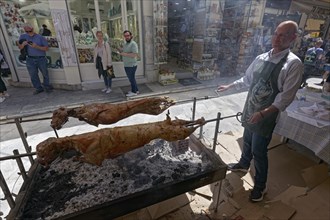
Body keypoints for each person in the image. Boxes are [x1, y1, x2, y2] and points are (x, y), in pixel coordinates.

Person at [217, 20, 303, 202]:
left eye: (283, 35)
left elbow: (286, 97)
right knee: (247, 140)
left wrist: (263, 113)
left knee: (259, 150)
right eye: (276, 34)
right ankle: (243, 164)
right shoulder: (262, 58)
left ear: (293, 38)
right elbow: (247, 79)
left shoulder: (293, 64)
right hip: (251, 109)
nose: (277, 38)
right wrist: (230, 85)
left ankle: (260, 186)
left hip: (266, 115)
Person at [18, 24, 53, 95]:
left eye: (29, 31)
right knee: (33, 74)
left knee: (45, 73)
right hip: (30, 58)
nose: (28, 33)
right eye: (26, 31)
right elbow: (20, 47)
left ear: (32, 29)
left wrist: (36, 47)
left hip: (41, 58)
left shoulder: (40, 37)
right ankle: (38, 88)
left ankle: (47, 86)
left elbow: (46, 48)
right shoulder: (23, 36)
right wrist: (23, 45)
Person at [117, 30, 139, 97]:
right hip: (127, 64)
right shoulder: (126, 44)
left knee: (131, 78)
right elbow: (125, 52)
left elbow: (134, 55)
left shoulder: (133, 44)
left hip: (131, 65)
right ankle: (136, 90)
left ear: (131, 36)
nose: (126, 37)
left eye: (128, 35)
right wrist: (120, 50)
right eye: (125, 36)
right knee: (132, 78)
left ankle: (134, 92)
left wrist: (124, 54)